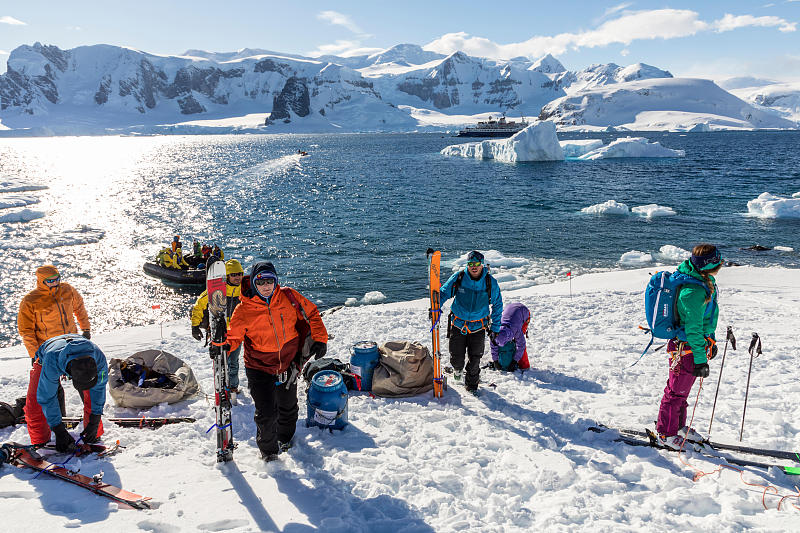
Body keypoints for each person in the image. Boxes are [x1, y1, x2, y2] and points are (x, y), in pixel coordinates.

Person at [227, 261, 328, 460]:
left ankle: (285, 439)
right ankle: (269, 454)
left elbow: (312, 313)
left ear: (276, 281)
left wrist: (320, 338)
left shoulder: (289, 296)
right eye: (260, 282)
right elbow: (233, 337)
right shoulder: (243, 309)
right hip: (259, 367)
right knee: (266, 414)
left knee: (288, 408)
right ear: (254, 283)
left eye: (270, 281)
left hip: (288, 363)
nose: (266, 286)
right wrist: (221, 347)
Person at [656, 244, 722, 449]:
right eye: (717, 260)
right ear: (708, 265)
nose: (721, 263)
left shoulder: (703, 280)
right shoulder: (693, 291)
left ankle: (678, 426)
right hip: (686, 349)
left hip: (695, 346)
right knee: (675, 392)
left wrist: (711, 341)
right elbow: (693, 329)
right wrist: (701, 360)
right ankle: (665, 433)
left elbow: (705, 320)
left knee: (682, 391)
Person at [25, 333, 108, 451]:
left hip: (73, 348)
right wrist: (58, 430)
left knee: (92, 396)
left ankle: (94, 434)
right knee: (35, 405)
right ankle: (40, 442)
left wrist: (95, 419)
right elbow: (47, 397)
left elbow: (99, 389)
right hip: (47, 358)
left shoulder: (99, 358)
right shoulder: (51, 361)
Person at [439, 250, 503, 395]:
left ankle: (472, 386)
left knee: (475, 359)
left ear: (482, 265)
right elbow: (444, 292)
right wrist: (436, 306)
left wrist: (495, 327)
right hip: (458, 325)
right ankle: (457, 370)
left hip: (478, 327)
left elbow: (498, 304)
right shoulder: (459, 277)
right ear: (467, 265)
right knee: (456, 358)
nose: (474, 267)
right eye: (471, 264)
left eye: (477, 264)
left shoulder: (490, 282)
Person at [191, 259, 244, 392]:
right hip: (219, 331)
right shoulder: (218, 289)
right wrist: (195, 326)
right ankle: (221, 384)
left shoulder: (244, 290)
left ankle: (233, 387)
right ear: (227, 276)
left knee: (233, 361)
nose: (237, 277)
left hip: (237, 333)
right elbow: (199, 305)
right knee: (221, 360)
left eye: (239, 274)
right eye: (233, 274)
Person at [18, 265, 91, 360]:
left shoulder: (67, 289)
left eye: (57, 279)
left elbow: (79, 308)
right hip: (50, 347)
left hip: (71, 341)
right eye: (50, 281)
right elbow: (26, 330)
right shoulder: (30, 300)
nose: (55, 283)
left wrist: (86, 329)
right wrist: (34, 354)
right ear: (42, 281)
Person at [490, 302, 531, 372]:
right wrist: (495, 361)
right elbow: (493, 346)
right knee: (515, 342)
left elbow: (521, 345)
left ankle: (524, 366)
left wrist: (515, 361)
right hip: (510, 308)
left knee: (519, 342)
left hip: (523, 311)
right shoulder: (495, 331)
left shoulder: (517, 330)